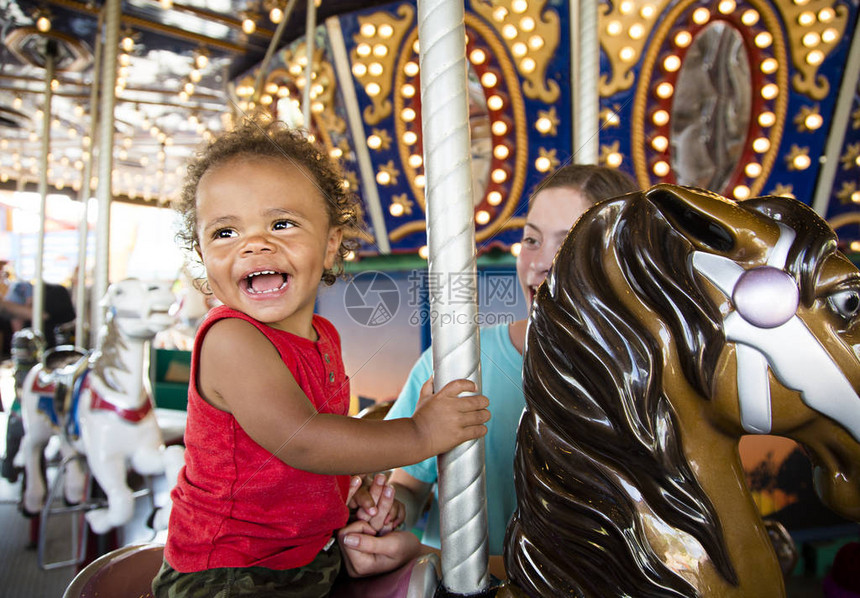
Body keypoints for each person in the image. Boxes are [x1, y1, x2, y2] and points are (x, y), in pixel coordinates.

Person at [151, 119, 491, 598]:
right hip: (229, 573)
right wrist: (420, 433)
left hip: (308, 555)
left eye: (281, 224)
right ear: (202, 255)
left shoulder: (322, 337)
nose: (254, 244)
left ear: (331, 244)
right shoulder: (231, 340)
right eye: (225, 232)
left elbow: (316, 461)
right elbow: (304, 440)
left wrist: (354, 499)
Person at [343, 164, 639, 579]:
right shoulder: (455, 363)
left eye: (569, 241)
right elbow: (409, 486)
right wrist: (391, 513)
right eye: (532, 240)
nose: (540, 264)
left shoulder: (643, 380)